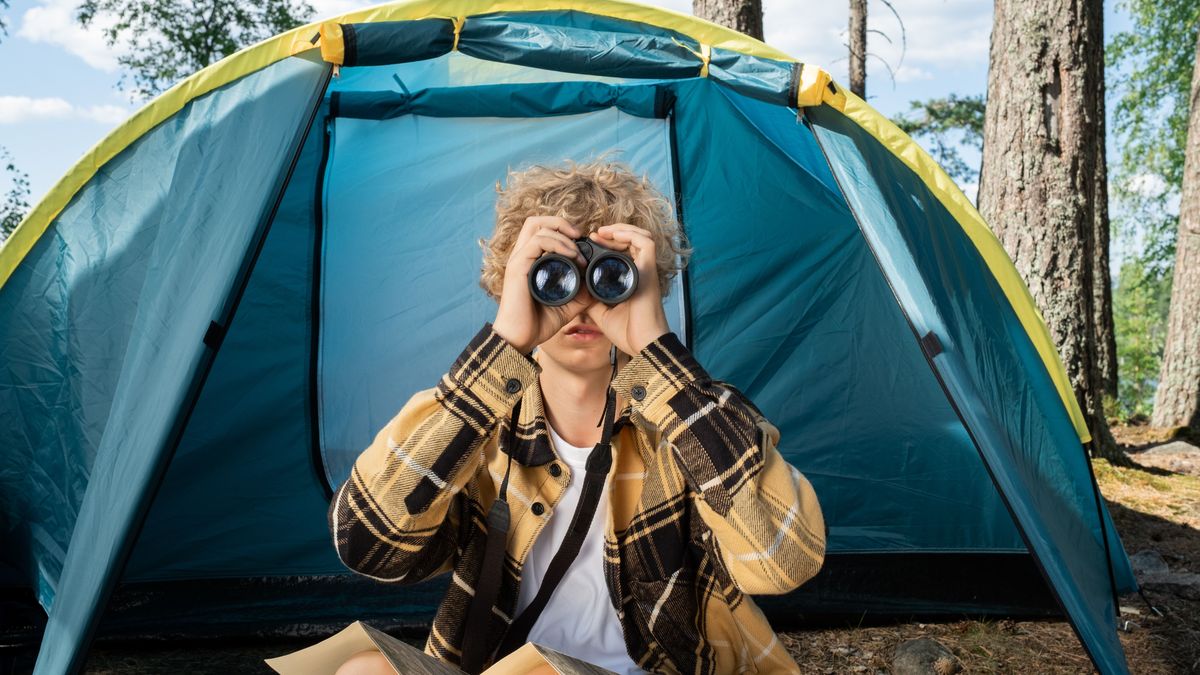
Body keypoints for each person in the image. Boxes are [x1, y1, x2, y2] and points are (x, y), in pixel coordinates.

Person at [328, 159, 826, 675]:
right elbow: (367, 545)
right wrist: (504, 346)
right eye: (555, 274)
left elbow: (783, 561)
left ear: (649, 285)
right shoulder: (477, 422)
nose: (583, 301)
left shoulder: (695, 418)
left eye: (611, 275)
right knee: (364, 669)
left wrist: (660, 355)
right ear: (510, 283)